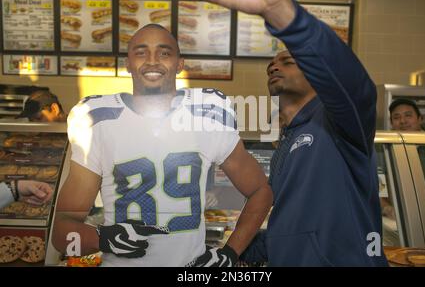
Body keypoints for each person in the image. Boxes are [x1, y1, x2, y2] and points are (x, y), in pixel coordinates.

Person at [195, 0, 388, 266]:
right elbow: (289, 231)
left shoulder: (341, 122)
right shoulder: (288, 141)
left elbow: (355, 87)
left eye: (287, 61)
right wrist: (231, 255)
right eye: (271, 64)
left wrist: (281, 14)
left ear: (316, 73)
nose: (274, 67)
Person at [52, 24, 273, 266]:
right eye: (141, 52)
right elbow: (62, 235)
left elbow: (261, 192)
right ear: (127, 63)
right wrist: (101, 238)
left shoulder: (207, 115)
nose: (153, 61)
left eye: (164, 53)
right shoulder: (98, 121)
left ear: (180, 64)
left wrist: (229, 254)